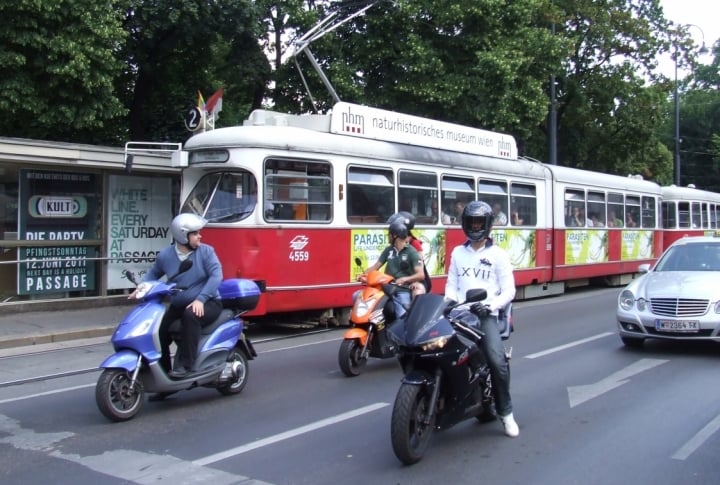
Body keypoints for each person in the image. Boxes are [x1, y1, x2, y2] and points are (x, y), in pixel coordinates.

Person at [445, 201, 519, 438]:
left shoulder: (498, 255)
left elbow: (509, 291)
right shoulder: (458, 252)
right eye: (471, 222)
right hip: (459, 313)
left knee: (497, 362)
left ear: (487, 225)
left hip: (485, 315)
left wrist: (490, 307)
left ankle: (506, 413)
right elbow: (451, 287)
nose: (475, 226)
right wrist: (448, 304)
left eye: (479, 222)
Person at [131, 213, 223, 379]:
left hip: (209, 302)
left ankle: (186, 366)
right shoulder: (165, 256)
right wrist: (141, 288)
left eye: (199, 233)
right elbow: (152, 275)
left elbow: (216, 276)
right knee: (159, 328)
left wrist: (200, 299)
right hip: (179, 304)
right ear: (183, 236)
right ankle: (163, 373)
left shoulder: (206, 252)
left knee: (191, 316)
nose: (199, 236)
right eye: (195, 234)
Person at [358, 217, 425, 318]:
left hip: (402, 289)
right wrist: (363, 275)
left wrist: (405, 279)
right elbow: (376, 266)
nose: (387, 236)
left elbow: (421, 275)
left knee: (402, 317)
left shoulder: (411, 252)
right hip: (385, 288)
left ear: (395, 236)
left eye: (389, 234)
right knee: (357, 297)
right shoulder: (388, 250)